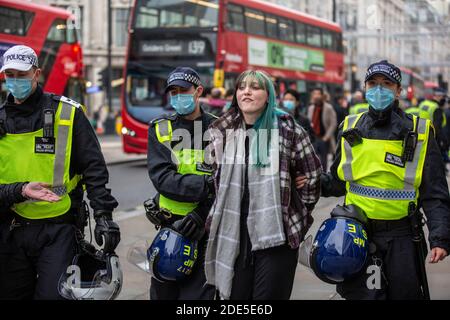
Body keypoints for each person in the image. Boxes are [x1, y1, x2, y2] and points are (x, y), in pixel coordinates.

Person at [321, 60, 450, 300]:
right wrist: (311, 181)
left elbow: (435, 193)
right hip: (356, 235)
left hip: (403, 238)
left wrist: (440, 238)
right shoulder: (349, 127)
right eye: (373, 83)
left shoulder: (420, 132)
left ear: (398, 90)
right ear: (364, 87)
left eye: (386, 84)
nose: (378, 89)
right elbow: (337, 182)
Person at [0, 45, 120, 300]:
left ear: (36, 74)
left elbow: (94, 168)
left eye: (22, 74)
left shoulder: (67, 112)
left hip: (59, 229)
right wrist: (20, 191)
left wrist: (104, 215)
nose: (15, 80)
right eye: (10, 74)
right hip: (11, 228)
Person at [204, 70, 322, 300]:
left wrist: (293, 210)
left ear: (268, 96)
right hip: (234, 232)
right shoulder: (223, 132)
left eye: (255, 87)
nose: (246, 91)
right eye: (242, 87)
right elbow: (214, 178)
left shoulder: (290, 131)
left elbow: (313, 178)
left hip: (276, 235)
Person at [146, 66, 216, 300]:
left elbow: (229, 183)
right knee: (163, 293)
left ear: (198, 91)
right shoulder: (161, 129)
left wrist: (201, 213)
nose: (178, 97)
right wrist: (207, 184)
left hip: (206, 229)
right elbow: (162, 179)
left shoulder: (220, 129)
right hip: (170, 228)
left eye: (183, 91)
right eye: (173, 92)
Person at [307, 87, 337, 170]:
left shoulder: (328, 108)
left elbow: (333, 123)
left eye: (318, 94)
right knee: (313, 160)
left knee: (323, 162)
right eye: (314, 94)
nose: (316, 96)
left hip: (323, 138)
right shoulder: (311, 108)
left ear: (322, 95)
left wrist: (326, 137)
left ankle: (323, 178)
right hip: (313, 139)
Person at [419, 87, 448, 161]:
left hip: (420, 135)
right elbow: (437, 128)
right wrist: (443, 142)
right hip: (431, 140)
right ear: (438, 96)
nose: (444, 100)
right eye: (443, 97)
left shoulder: (423, 104)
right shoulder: (436, 108)